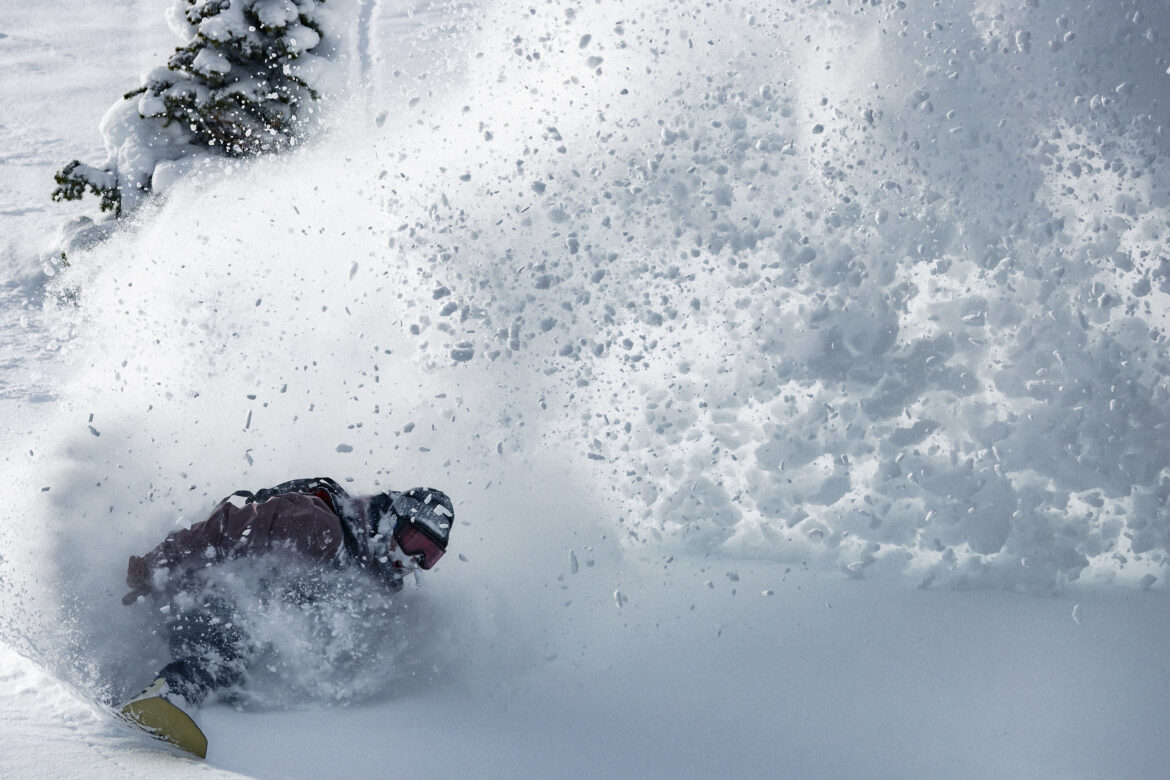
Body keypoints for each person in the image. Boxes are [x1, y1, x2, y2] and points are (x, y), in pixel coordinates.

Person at [118, 476, 453, 750]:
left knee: (244, 666)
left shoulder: (367, 575)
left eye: (430, 556)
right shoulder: (319, 526)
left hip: (249, 611)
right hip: (206, 585)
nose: (415, 560)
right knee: (230, 644)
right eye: (414, 542)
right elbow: (226, 530)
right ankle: (169, 696)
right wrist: (156, 565)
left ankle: (174, 699)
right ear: (392, 521)